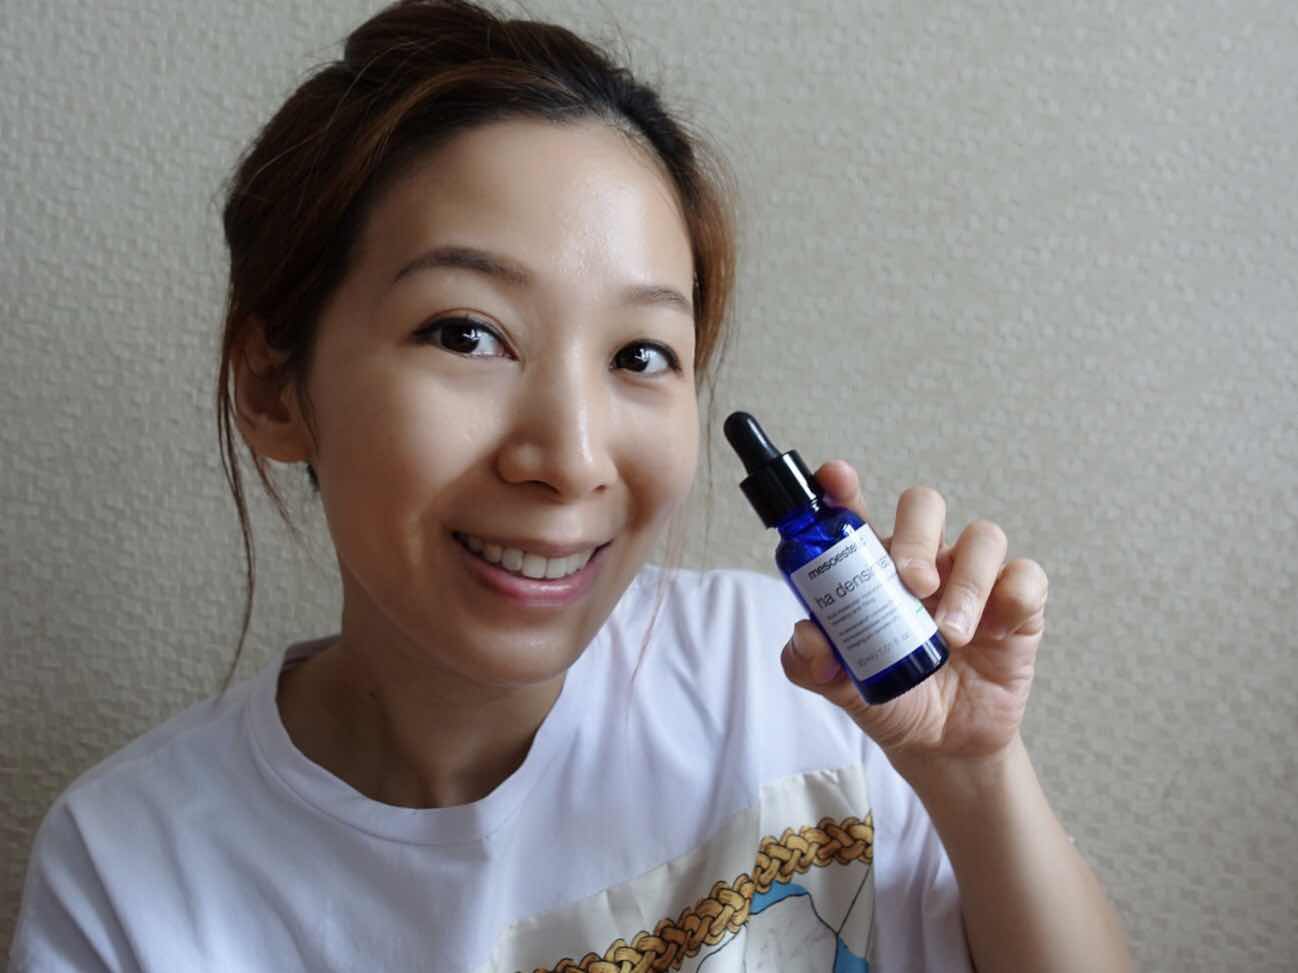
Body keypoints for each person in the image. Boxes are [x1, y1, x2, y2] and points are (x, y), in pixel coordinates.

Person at [9, 1, 1132, 970]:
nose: (573, 455)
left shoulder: (799, 681)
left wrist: (972, 775)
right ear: (273, 387)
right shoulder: (134, 872)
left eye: (639, 354)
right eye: (467, 333)